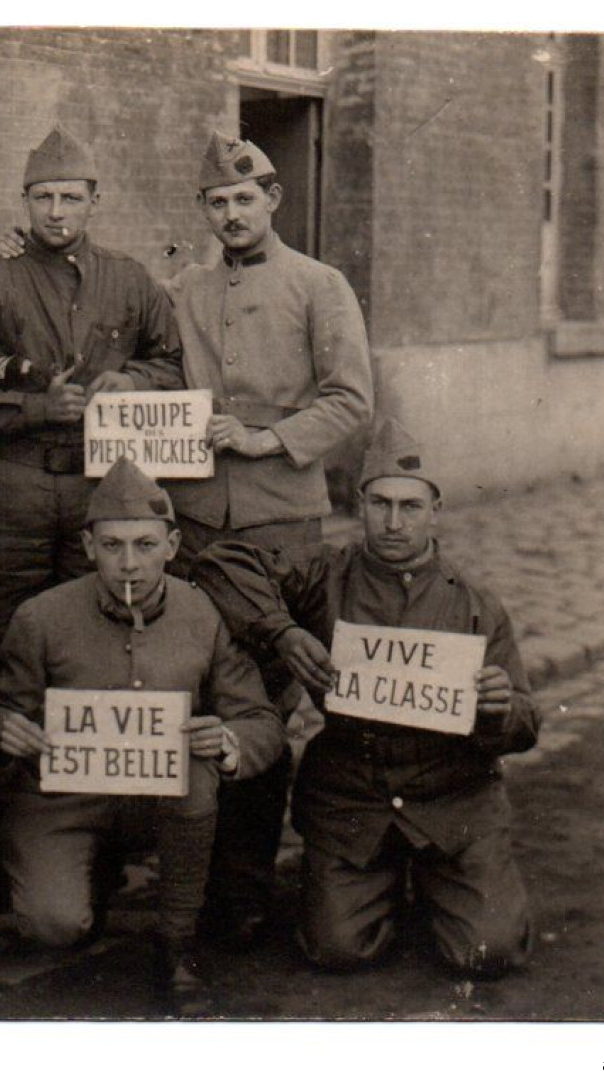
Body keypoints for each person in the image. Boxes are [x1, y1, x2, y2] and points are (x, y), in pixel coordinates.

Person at [192, 419, 537, 978]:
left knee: (488, 951)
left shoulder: (476, 605)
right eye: (380, 504)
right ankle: (378, 886)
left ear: (435, 509)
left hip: (450, 799)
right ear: (359, 504)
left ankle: (443, 886)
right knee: (337, 947)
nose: (394, 522)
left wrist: (499, 709)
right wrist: (282, 630)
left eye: (409, 506)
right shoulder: (324, 575)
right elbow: (219, 563)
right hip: (354, 798)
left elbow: (527, 721)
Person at [167, 131, 375, 946]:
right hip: (191, 526)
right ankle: (192, 875)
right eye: (216, 203)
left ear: (272, 200)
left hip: (277, 524)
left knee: (261, 705)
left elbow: (351, 398)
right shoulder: (182, 287)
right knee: (196, 699)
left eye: (243, 199)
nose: (230, 214)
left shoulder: (318, 286)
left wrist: (266, 439)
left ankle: (244, 892)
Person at [0, 458, 284, 1009]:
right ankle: (91, 874)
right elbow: (1, 713)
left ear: (173, 545)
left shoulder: (203, 613)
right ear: (87, 545)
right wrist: (10, 735)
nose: (129, 564)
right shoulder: (41, 618)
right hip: (67, 799)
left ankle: (176, 942)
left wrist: (227, 743)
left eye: (146, 545)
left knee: (197, 768)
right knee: (53, 925)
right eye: (113, 545)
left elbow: (261, 721)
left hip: (163, 800)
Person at [0, 125, 185, 657]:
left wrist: (132, 381)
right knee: (5, 634)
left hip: (102, 487)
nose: (56, 211)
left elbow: (174, 364)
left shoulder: (131, 280)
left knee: (96, 633)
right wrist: (38, 407)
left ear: (95, 202)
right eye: (43, 197)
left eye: (71, 197)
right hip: (9, 489)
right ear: (24, 201)